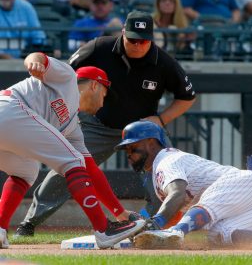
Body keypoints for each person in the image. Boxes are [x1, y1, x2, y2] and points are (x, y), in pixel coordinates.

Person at [14, 10, 196, 238]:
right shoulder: (99, 47)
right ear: (123, 33)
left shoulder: (164, 61)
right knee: (66, 168)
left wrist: (161, 119)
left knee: (164, 178)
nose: (139, 45)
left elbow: (187, 98)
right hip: (98, 125)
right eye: (133, 39)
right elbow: (69, 74)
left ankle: (149, 229)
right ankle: (30, 223)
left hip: (142, 132)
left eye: (144, 40)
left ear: (152, 38)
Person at [0, 52, 145, 249]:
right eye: (104, 94)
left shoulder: (72, 128)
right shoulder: (67, 78)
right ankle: (103, 230)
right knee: (72, 161)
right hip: (8, 108)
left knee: (26, 172)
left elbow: (91, 171)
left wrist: (119, 211)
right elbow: (38, 57)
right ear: (95, 85)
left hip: (9, 120)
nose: (104, 103)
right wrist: (33, 62)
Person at [115, 120, 252, 249]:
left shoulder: (165, 161)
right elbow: (173, 210)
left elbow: (178, 194)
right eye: (126, 149)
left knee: (197, 213)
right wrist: (145, 227)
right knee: (221, 236)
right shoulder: (161, 167)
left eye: (133, 147)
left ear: (151, 142)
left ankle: (177, 231)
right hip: (243, 197)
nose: (129, 153)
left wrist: (155, 224)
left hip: (240, 182)